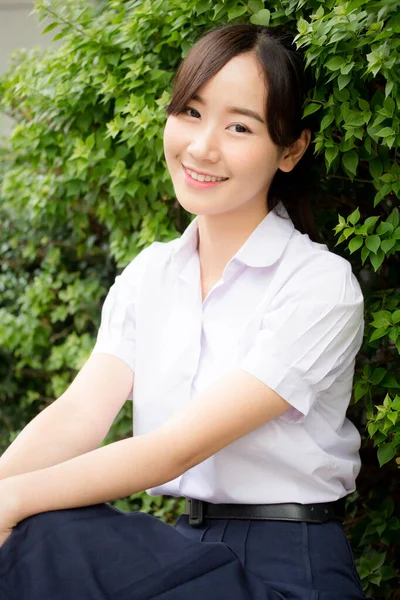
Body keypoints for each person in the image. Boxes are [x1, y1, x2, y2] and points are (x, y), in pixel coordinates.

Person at [0, 23, 370, 600]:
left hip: (288, 570)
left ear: (291, 149)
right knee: (40, 532)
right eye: (191, 113)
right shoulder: (150, 276)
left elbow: (178, 448)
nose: (202, 147)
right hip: (178, 552)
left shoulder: (319, 286)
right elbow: (79, 414)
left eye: (240, 126)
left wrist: (15, 499)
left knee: (48, 534)